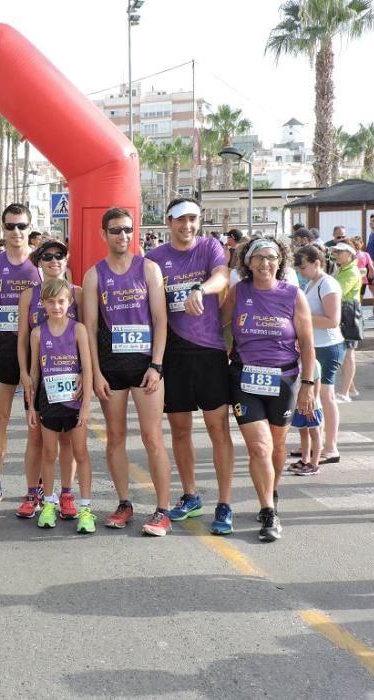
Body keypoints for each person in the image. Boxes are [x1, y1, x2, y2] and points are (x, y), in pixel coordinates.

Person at [146, 198, 236, 534]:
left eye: (193, 220)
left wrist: (200, 288)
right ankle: (190, 495)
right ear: (168, 222)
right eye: (181, 220)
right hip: (174, 355)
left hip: (210, 352)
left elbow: (222, 275)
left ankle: (224, 504)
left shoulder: (210, 246)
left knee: (218, 429)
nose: (187, 226)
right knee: (180, 430)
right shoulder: (154, 259)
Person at [82, 208, 173, 536]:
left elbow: (161, 320)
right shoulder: (95, 275)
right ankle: (124, 502)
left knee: (152, 438)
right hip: (112, 369)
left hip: (146, 368)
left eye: (127, 230)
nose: (122, 236)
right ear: (103, 234)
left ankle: (163, 510)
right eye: (116, 230)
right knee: (115, 437)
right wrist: (96, 373)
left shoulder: (148, 269)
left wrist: (157, 364)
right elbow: (90, 328)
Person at [222, 238, 316, 541]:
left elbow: (308, 343)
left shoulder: (292, 294)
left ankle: (271, 490)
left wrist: (308, 385)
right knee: (260, 447)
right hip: (245, 378)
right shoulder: (239, 292)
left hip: (284, 379)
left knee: (276, 447)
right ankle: (268, 512)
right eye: (259, 258)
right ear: (248, 263)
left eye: (271, 258)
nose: (265, 264)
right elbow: (217, 325)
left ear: (281, 261)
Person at [0, 203, 41, 511]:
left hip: (37, 351)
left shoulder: (43, 264)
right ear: (2, 228)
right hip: (3, 348)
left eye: (21, 226)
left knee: (36, 421)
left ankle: (38, 484)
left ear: (30, 228)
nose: (16, 232)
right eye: (10, 226)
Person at [17, 240, 82, 520]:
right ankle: (33, 493)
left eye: (59, 256)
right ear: (38, 262)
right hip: (41, 377)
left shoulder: (78, 293)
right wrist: (24, 372)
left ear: (66, 259)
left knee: (66, 440)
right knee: (36, 439)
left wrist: (84, 372)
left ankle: (65, 494)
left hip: (70, 378)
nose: (54, 261)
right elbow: (22, 338)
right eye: (47, 257)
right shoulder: (29, 296)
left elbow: (87, 334)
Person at [25, 278, 95, 533]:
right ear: (43, 304)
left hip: (74, 404)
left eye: (61, 301)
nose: (56, 306)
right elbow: (35, 372)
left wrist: (87, 404)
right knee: (49, 453)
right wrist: (31, 406)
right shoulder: (37, 333)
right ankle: (48, 503)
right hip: (49, 402)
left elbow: (87, 369)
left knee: (81, 452)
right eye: (51, 302)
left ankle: (85, 508)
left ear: (70, 302)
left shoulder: (78, 330)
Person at [295, 244, 345, 467]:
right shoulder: (311, 283)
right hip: (314, 346)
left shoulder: (328, 283)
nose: (300, 272)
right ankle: (316, 443)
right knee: (313, 399)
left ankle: (330, 446)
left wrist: (302, 317)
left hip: (328, 345)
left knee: (325, 396)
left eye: (303, 267)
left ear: (317, 263)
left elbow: (332, 320)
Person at [332, 242, 362, 402]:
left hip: (350, 314)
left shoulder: (351, 272)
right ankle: (351, 389)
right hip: (345, 313)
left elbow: (338, 292)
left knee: (348, 354)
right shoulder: (343, 269)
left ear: (349, 254)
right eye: (336, 251)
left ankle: (344, 393)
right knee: (344, 353)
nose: (336, 254)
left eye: (340, 252)